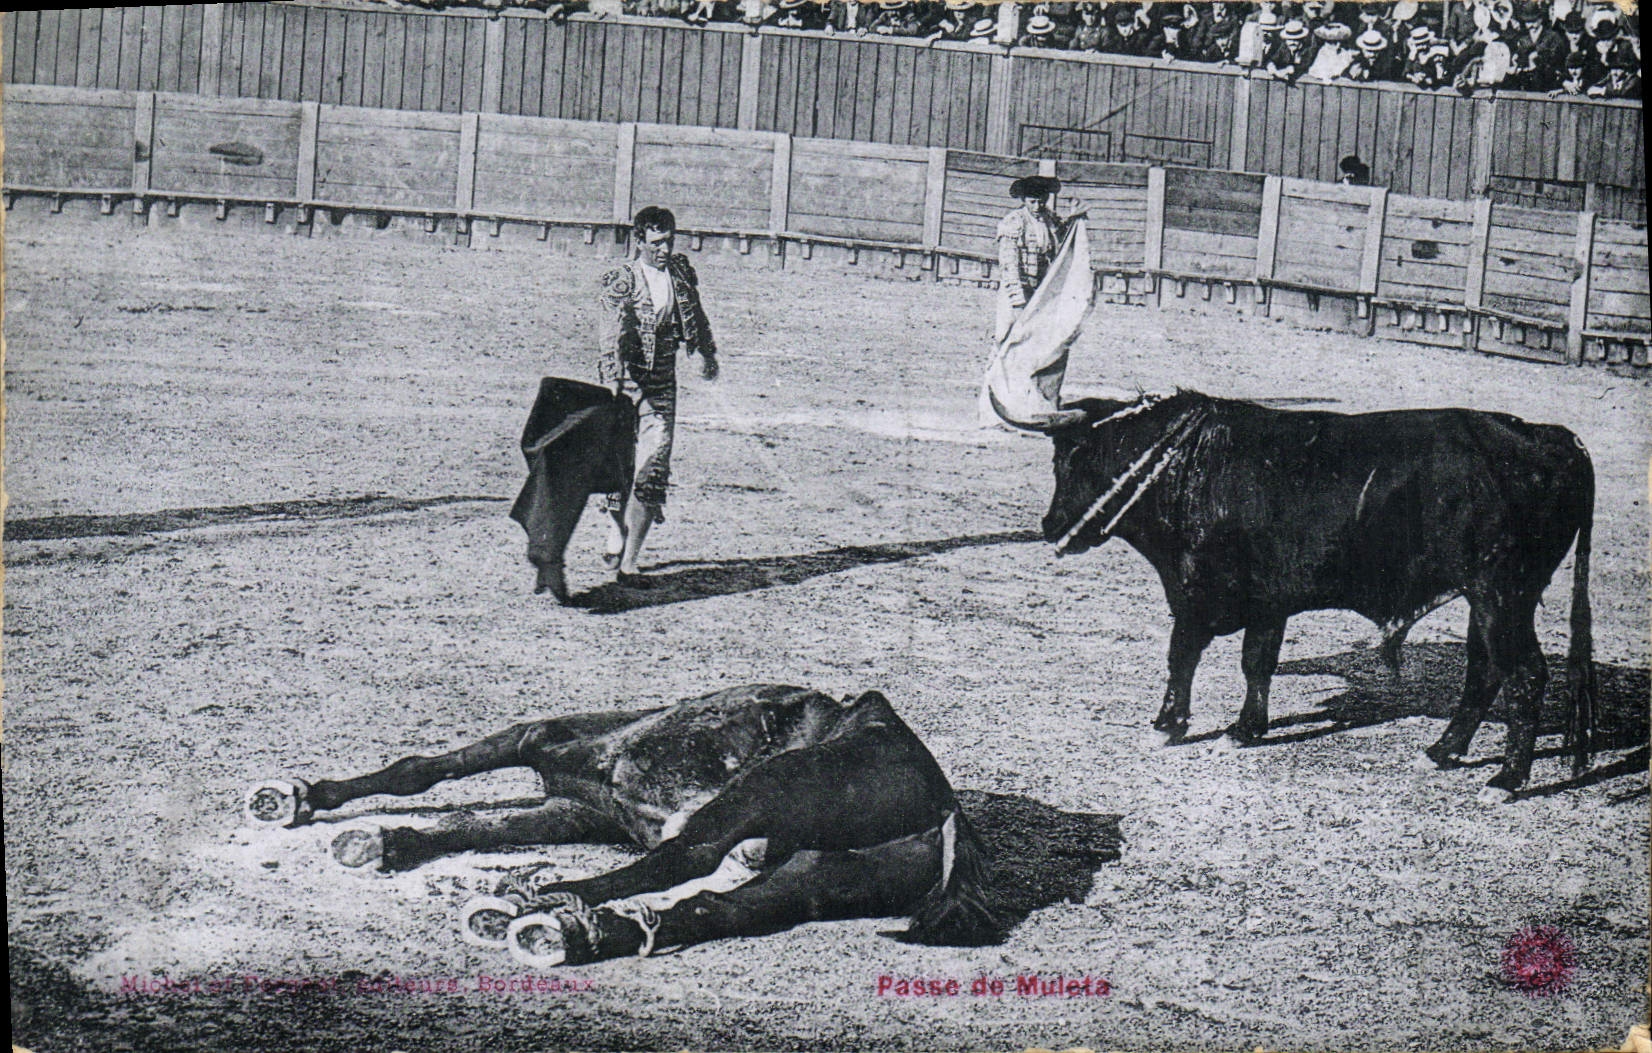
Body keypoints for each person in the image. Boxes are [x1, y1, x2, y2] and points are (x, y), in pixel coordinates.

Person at [596, 207, 719, 588]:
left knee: (653, 468)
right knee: (618, 468)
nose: (664, 250)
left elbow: (696, 316)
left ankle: (629, 564)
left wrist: (707, 353)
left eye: (669, 241)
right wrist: (612, 376)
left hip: (663, 384)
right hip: (627, 384)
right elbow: (609, 330)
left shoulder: (680, 272)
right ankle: (614, 534)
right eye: (656, 243)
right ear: (638, 241)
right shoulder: (622, 278)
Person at [993, 176, 1065, 345]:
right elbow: (1009, 265)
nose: (1037, 207)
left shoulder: (1050, 219)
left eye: (1041, 202)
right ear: (1024, 200)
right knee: (1007, 336)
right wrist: (1017, 301)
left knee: (1038, 339)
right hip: (1019, 287)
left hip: (1041, 289)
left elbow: (1064, 240)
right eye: (1032, 202)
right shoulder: (1014, 221)